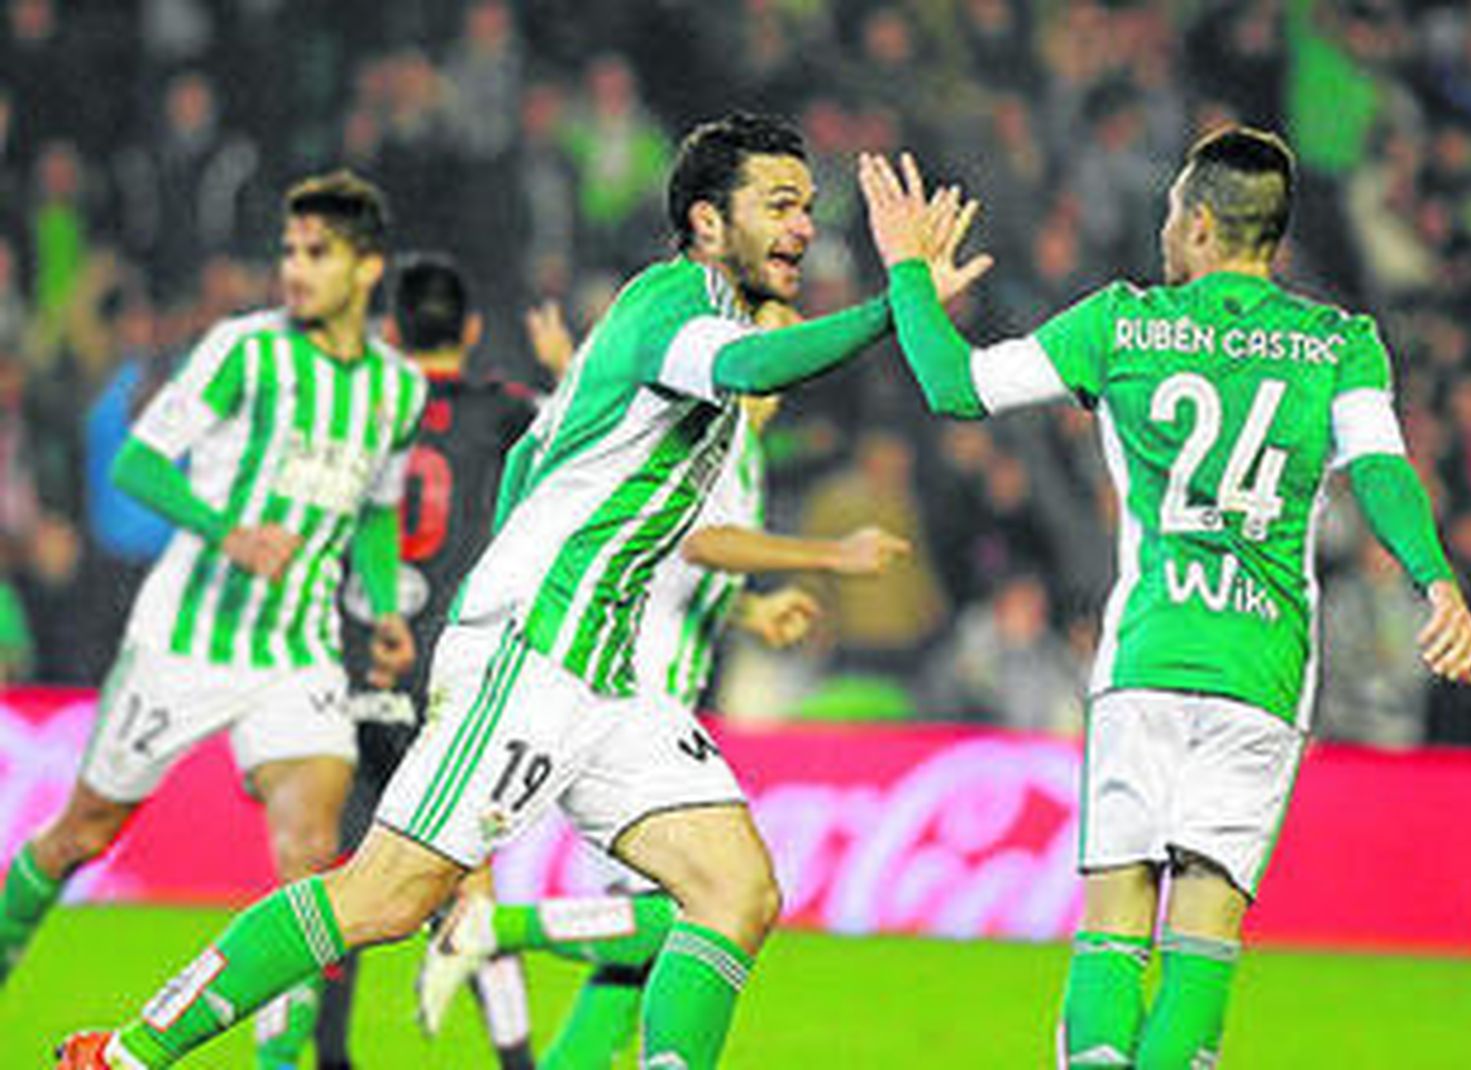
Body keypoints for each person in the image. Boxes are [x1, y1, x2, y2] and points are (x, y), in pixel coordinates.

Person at [55, 111, 985, 1070]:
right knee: (385, 894)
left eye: (809, 207)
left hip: (604, 671)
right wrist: (900, 292)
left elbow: (527, 465)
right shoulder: (676, 302)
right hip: (537, 653)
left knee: (735, 891)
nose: (804, 228)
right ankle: (124, 1054)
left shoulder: (670, 317)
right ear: (708, 221)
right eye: (780, 205)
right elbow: (748, 366)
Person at [857, 129, 1471, 1068]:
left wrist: (907, 271)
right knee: (1203, 946)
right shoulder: (1340, 345)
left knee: (1113, 925)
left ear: (1195, 223)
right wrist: (1439, 581)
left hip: (1146, 659)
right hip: (1261, 675)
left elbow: (955, 386)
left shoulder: (1119, 324)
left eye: (1166, 217)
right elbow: (1385, 471)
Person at [414, 300, 910, 1068]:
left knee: (636, 964)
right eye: (764, 335)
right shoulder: (716, 428)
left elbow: (672, 564)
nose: (778, 353)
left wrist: (751, 613)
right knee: (695, 913)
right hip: (625, 699)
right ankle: (489, 928)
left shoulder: (735, 445)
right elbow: (703, 539)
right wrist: (831, 555)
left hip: (648, 691)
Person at [0, 171, 425, 1065]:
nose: (295, 269)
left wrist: (383, 607)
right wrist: (226, 531)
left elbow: (377, 511)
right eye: (289, 250)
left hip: (298, 649)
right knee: (83, 833)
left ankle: (278, 1061)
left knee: (310, 858)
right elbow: (141, 465)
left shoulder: (395, 389)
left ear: (366, 268)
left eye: (318, 253)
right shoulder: (244, 351)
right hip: (183, 640)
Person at [313, 253, 539, 1070]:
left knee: (345, 868)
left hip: (358, 662)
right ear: (472, 331)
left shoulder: (357, 411)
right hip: (451, 670)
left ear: (390, 331)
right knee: (464, 870)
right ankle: (517, 1061)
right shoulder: (507, 410)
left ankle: (329, 1056)